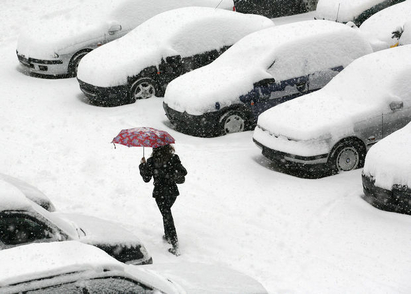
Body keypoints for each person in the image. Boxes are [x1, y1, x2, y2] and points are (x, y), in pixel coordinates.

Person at [139, 144, 187, 256]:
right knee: (166, 213)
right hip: (172, 192)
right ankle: (168, 236)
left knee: (166, 215)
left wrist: (142, 166)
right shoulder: (173, 158)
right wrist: (170, 174)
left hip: (160, 193)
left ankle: (175, 245)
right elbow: (183, 172)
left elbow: (146, 178)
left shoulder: (152, 161)